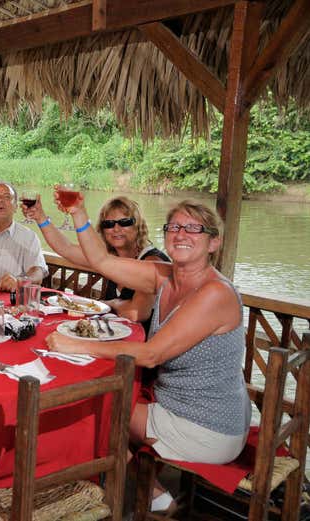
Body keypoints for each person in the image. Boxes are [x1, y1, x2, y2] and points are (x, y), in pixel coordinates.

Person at [45, 195, 250, 512]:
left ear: (214, 243)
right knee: (103, 400)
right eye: (174, 227)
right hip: (175, 403)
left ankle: (149, 495)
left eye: (194, 229)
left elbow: (152, 355)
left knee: (94, 407)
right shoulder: (164, 274)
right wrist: (78, 212)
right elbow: (101, 261)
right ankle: (143, 488)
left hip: (207, 426)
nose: (181, 234)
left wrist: (77, 344)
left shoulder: (215, 293)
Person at [23, 195, 169, 321]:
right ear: (102, 230)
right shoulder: (107, 259)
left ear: (138, 226)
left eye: (125, 222)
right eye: (109, 224)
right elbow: (65, 248)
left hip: (144, 344)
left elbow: (136, 313)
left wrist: (111, 304)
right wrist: (40, 217)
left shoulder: (152, 261)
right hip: (111, 333)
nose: (116, 229)